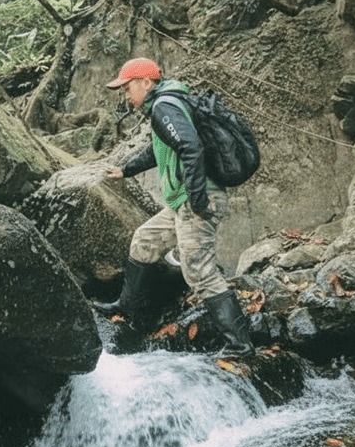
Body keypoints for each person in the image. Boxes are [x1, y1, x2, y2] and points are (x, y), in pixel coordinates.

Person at [93, 57, 254, 359]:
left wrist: (196, 197)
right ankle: (125, 308)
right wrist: (125, 170)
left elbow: (191, 147)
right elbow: (161, 149)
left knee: (199, 272)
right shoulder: (170, 101)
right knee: (145, 240)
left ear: (146, 82)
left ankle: (240, 345)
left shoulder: (163, 106)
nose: (126, 95)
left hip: (195, 200)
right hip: (184, 201)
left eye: (127, 87)